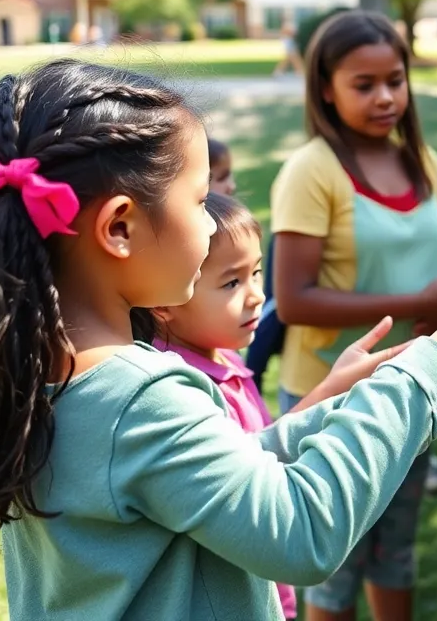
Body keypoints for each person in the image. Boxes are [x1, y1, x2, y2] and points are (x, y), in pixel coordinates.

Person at [0, 59, 437, 621]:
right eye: (199, 201)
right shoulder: (139, 399)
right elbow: (301, 530)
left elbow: (207, 483)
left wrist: (325, 405)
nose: (215, 220)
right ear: (120, 227)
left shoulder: (49, 372)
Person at [270, 9, 437, 621]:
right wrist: (419, 304)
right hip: (330, 395)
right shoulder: (311, 172)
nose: (386, 97)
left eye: (395, 79)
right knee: (333, 565)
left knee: (394, 553)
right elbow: (296, 297)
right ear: (326, 89)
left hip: (412, 390)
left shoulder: (424, 163)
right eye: (364, 84)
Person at [137, 193, 415, 620]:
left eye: (256, 273)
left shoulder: (224, 360)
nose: (254, 296)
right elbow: (244, 486)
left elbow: (262, 450)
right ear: (164, 299)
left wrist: (335, 384)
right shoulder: (182, 390)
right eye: (231, 282)